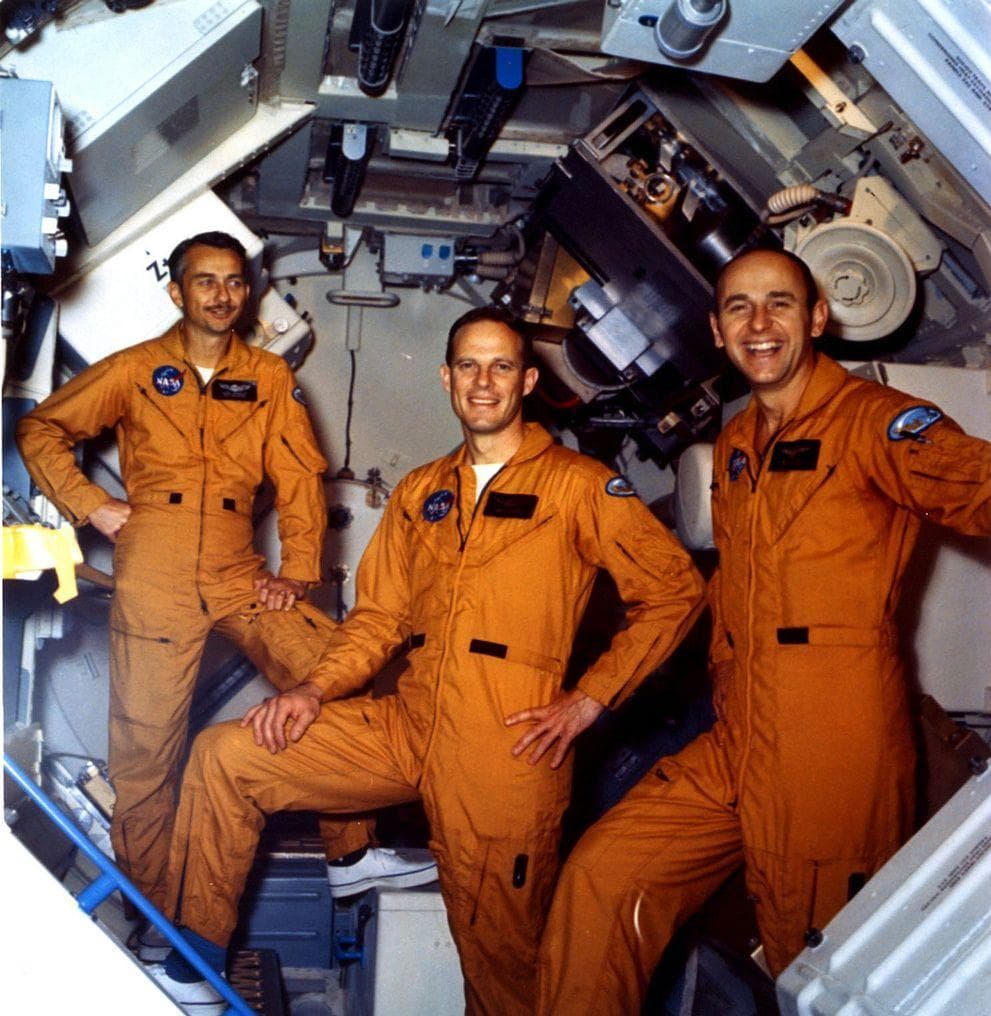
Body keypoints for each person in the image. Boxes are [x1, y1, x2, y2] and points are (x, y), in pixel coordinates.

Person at [157, 305, 706, 1015]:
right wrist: (313, 691)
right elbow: (379, 619)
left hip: (505, 746)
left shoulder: (578, 486)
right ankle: (196, 968)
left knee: (498, 966)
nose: (484, 382)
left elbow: (674, 592)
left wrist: (590, 698)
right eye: (469, 366)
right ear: (446, 378)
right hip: (410, 725)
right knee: (227, 755)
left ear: (528, 380)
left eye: (501, 366)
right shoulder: (423, 491)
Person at [535, 247, 991, 1014]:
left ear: (816, 317)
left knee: (811, 967)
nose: (759, 323)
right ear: (716, 330)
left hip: (830, 739)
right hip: (739, 729)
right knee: (604, 879)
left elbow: (978, 486)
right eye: (738, 307)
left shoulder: (873, 422)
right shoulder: (738, 444)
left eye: (779, 302)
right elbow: (736, 583)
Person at [14, 232, 421, 961]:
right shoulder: (135, 369)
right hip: (156, 566)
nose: (221, 295)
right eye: (205, 281)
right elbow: (41, 429)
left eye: (234, 282)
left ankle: (351, 854)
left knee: (333, 670)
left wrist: (298, 571)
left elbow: (299, 478)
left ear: (248, 292)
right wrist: (93, 506)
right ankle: (156, 917)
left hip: (240, 570)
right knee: (144, 760)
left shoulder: (267, 376)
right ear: (177, 292)